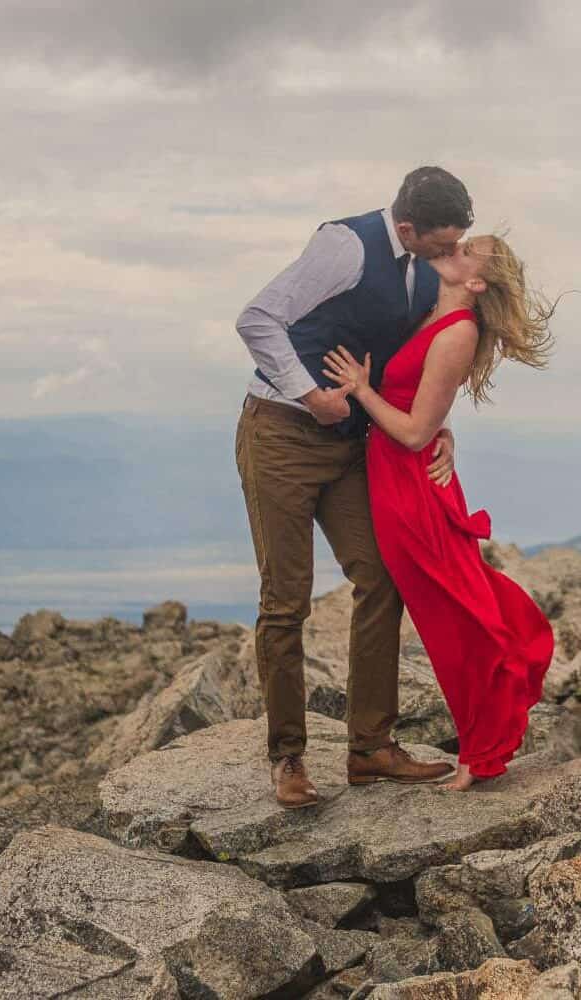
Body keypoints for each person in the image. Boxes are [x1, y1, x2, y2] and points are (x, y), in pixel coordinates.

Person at [235, 167, 475, 809]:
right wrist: (311, 396)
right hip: (282, 434)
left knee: (383, 576)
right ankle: (288, 758)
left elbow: (408, 363)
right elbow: (257, 319)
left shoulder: (428, 272)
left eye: (459, 243)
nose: (452, 257)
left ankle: (370, 748)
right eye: (442, 245)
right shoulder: (344, 245)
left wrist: (439, 427)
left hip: (350, 446)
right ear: (405, 229)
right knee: (286, 600)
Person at [322, 234, 557, 790]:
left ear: (475, 282)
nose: (454, 247)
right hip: (400, 481)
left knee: (453, 618)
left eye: (467, 250)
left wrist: (359, 389)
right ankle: (482, 745)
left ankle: (481, 753)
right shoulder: (433, 311)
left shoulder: (459, 331)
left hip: (412, 489)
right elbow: (425, 412)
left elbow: (411, 431)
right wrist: (441, 428)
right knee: (451, 612)